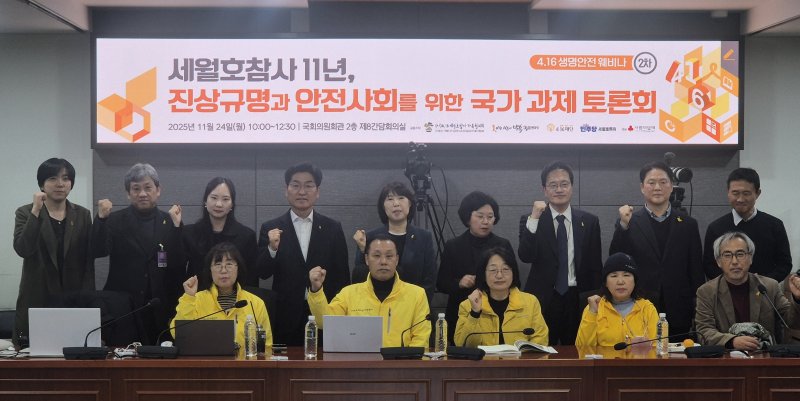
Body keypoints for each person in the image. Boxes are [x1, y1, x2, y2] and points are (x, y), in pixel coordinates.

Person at [257, 162, 350, 345]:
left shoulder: (333, 228)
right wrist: (272, 249)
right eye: (295, 185)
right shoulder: (271, 228)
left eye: (308, 186)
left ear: (317, 191)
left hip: (323, 315)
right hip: (285, 315)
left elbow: (342, 277)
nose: (302, 192)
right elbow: (262, 272)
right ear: (286, 190)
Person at [609, 161, 704, 340]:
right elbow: (615, 259)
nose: (657, 187)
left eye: (663, 182)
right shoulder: (630, 221)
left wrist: (697, 306)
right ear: (642, 187)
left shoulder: (688, 224)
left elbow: (696, 269)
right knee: (641, 355)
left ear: (671, 186)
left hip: (679, 308)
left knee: (677, 355)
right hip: (640, 305)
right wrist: (623, 225)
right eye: (651, 182)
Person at [91, 163, 184, 344]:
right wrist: (101, 219)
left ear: (158, 190)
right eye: (136, 189)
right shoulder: (115, 220)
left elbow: (178, 263)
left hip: (159, 307)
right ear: (128, 193)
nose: (142, 193)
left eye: (148, 188)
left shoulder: (169, 220)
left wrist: (177, 228)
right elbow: (98, 251)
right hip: (124, 307)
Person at [518, 161, 602, 345]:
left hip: (577, 297)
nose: (559, 189)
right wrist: (534, 219)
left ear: (572, 187)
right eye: (553, 185)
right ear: (544, 190)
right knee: (540, 349)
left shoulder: (589, 221)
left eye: (564, 184)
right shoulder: (531, 219)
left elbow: (595, 265)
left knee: (577, 349)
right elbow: (525, 255)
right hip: (544, 297)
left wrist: (596, 298)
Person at [12, 158, 94, 347]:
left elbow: (89, 260)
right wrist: (36, 211)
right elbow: (23, 249)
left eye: (65, 178)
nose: (60, 184)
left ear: (71, 183)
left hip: (73, 299)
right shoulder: (25, 212)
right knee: (33, 355)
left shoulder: (83, 215)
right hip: (38, 297)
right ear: (42, 184)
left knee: (74, 353)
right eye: (52, 178)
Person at [308, 233, 430, 347]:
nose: (383, 262)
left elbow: (421, 339)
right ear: (366, 259)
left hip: (401, 362)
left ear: (397, 260)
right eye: (376, 256)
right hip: (360, 361)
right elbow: (324, 323)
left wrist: (406, 362)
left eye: (389, 256)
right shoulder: (348, 294)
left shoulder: (417, 295)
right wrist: (316, 290)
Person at [695, 232, 800, 350]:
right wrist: (731, 341)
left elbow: (792, 322)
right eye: (727, 255)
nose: (734, 261)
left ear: (750, 258)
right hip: (726, 356)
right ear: (718, 261)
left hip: (765, 355)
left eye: (740, 254)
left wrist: (797, 299)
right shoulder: (706, 292)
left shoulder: (769, 286)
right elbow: (704, 332)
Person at [437, 191, 515, 345]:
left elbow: (515, 281)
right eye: (480, 216)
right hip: (462, 312)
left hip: (496, 312)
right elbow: (441, 283)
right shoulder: (453, 246)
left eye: (490, 217)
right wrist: (459, 283)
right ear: (468, 218)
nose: (485, 222)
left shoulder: (503, 245)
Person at [172, 242, 271, 349]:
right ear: (210, 270)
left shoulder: (255, 303)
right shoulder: (195, 300)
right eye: (218, 264)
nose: (223, 270)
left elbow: (266, 346)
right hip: (206, 359)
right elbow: (178, 334)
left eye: (229, 264)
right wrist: (189, 297)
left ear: (238, 268)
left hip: (244, 359)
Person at [351, 181, 436, 305]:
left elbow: (430, 278)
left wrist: (418, 305)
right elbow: (359, 278)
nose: (396, 203)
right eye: (390, 199)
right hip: (377, 306)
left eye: (401, 198)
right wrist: (361, 249)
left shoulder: (424, 237)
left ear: (410, 203)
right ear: (383, 206)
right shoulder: (370, 237)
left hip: (414, 306)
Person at [703, 168, 791, 282]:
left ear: (757, 193)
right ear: (728, 192)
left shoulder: (775, 225)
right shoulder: (715, 228)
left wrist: (763, 284)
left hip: (765, 290)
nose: (740, 199)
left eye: (746, 193)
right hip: (727, 291)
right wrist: (733, 283)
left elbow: (784, 264)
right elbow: (709, 265)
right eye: (735, 193)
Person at [454, 247, 548, 347]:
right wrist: (474, 314)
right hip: (484, 358)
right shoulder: (468, 305)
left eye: (505, 269)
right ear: (483, 274)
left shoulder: (530, 302)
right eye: (493, 270)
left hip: (521, 357)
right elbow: (462, 345)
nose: (499, 275)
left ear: (513, 273)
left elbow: (540, 340)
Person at [181, 177, 258, 287]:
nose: (219, 204)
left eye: (225, 199)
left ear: (232, 204)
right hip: (197, 296)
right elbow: (176, 267)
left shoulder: (247, 236)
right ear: (205, 201)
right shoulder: (189, 233)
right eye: (214, 198)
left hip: (234, 297)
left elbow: (252, 278)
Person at [575, 252, 658, 347]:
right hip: (604, 357)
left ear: (635, 281)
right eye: (614, 276)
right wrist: (592, 313)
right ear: (606, 283)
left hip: (639, 357)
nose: (620, 281)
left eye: (626, 275)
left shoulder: (647, 309)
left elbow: (657, 348)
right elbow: (582, 349)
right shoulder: (594, 307)